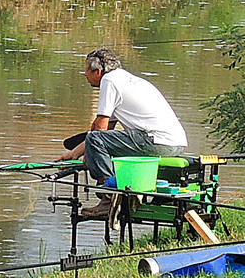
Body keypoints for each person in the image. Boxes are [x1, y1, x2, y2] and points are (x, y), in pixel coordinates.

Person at [61, 48, 187, 219]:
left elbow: (97, 131)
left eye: (86, 71)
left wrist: (90, 154)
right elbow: (105, 131)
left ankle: (108, 198)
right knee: (97, 141)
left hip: (156, 140)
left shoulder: (110, 81)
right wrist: (74, 153)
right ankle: (115, 194)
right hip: (174, 143)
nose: (85, 75)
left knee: (95, 139)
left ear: (98, 72)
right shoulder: (126, 79)